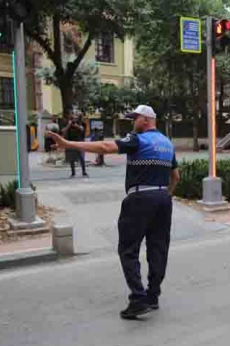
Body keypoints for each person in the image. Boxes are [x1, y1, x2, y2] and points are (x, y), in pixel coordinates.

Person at [47, 105, 181, 320]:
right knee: (158, 248)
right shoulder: (167, 144)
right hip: (163, 199)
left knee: (128, 249)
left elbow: (105, 146)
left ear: (145, 120)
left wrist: (67, 144)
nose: (132, 122)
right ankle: (153, 296)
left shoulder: (139, 139)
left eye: (135, 118)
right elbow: (176, 177)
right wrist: (166, 196)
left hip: (139, 199)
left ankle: (138, 299)